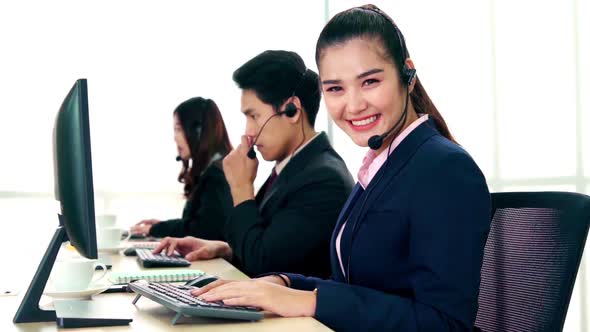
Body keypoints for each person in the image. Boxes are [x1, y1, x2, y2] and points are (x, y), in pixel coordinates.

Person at [188, 5, 491, 331]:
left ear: (408, 74)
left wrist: (309, 300)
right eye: (335, 88)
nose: (354, 104)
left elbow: (446, 323)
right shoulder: (382, 163)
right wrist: (285, 283)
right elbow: (359, 285)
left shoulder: (444, 169)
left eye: (370, 81)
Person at [154, 50, 354, 278]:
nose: (248, 132)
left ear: (292, 111)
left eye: (254, 116)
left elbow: (264, 265)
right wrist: (225, 250)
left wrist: (241, 188)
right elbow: (273, 246)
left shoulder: (323, 179)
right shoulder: (293, 168)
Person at [130, 97, 233, 240]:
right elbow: (199, 223)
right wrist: (162, 225)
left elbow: (204, 230)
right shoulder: (213, 169)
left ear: (198, 132)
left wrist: (156, 229)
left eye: (178, 129)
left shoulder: (217, 175)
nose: (175, 137)